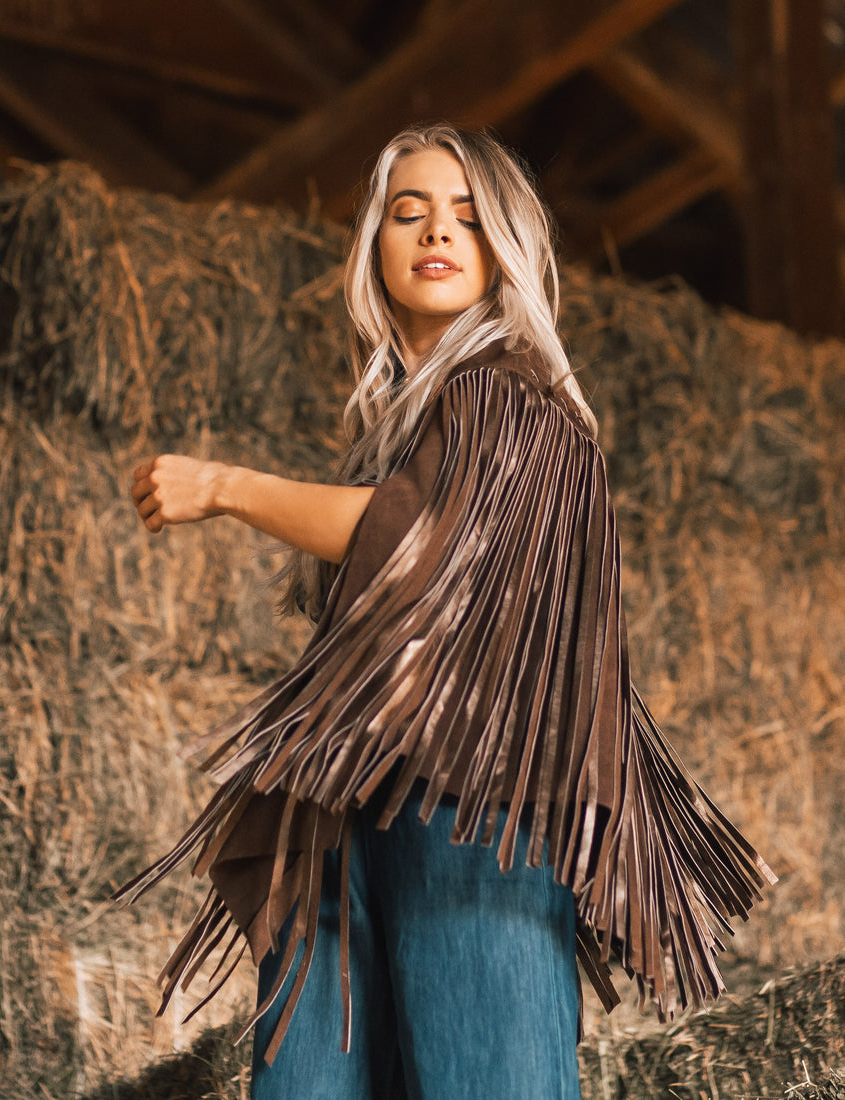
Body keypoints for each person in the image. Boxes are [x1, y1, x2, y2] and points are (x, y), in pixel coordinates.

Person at [125, 123, 775, 1100]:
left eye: (467, 216)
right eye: (408, 211)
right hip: (357, 799)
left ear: (504, 245)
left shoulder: (513, 399)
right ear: (373, 247)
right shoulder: (419, 418)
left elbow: (414, 529)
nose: (436, 232)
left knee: (486, 1076)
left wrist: (223, 484)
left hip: (471, 800)